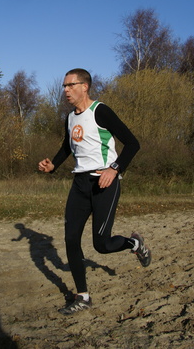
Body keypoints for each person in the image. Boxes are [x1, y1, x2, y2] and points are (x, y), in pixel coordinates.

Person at [38, 68, 151, 316]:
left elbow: (133, 144)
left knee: (101, 244)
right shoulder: (69, 118)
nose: (65, 90)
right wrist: (53, 164)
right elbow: (67, 146)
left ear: (85, 86)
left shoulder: (100, 111)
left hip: (104, 183)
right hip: (79, 185)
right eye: (64, 86)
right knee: (70, 239)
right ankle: (83, 296)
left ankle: (134, 244)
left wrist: (115, 169)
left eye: (70, 85)